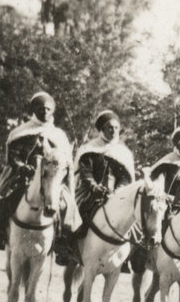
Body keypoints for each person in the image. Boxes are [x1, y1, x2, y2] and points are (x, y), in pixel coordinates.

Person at [0, 91, 74, 250]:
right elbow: (13, 157)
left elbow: (65, 161)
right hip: (24, 177)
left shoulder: (59, 136)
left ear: (52, 111)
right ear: (34, 110)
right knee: (3, 197)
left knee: (66, 204)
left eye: (48, 109)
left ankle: (62, 241)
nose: (45, 112)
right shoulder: (21, 132)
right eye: (41, 108)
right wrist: (22, 166)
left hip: (50, 179)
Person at [55, 110, 136, 265]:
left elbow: (125, 178)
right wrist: (94, 187)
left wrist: (118, 191)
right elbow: (85, 172)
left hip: (116, 195)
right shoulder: (89, 149)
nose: (113, 131)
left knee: (131, 220)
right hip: (90, 192)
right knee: (74, 213)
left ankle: (126, 257)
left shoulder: (123, 153)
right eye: (110, 128)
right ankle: (66, 246)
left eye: (116, 128)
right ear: (102, 129)